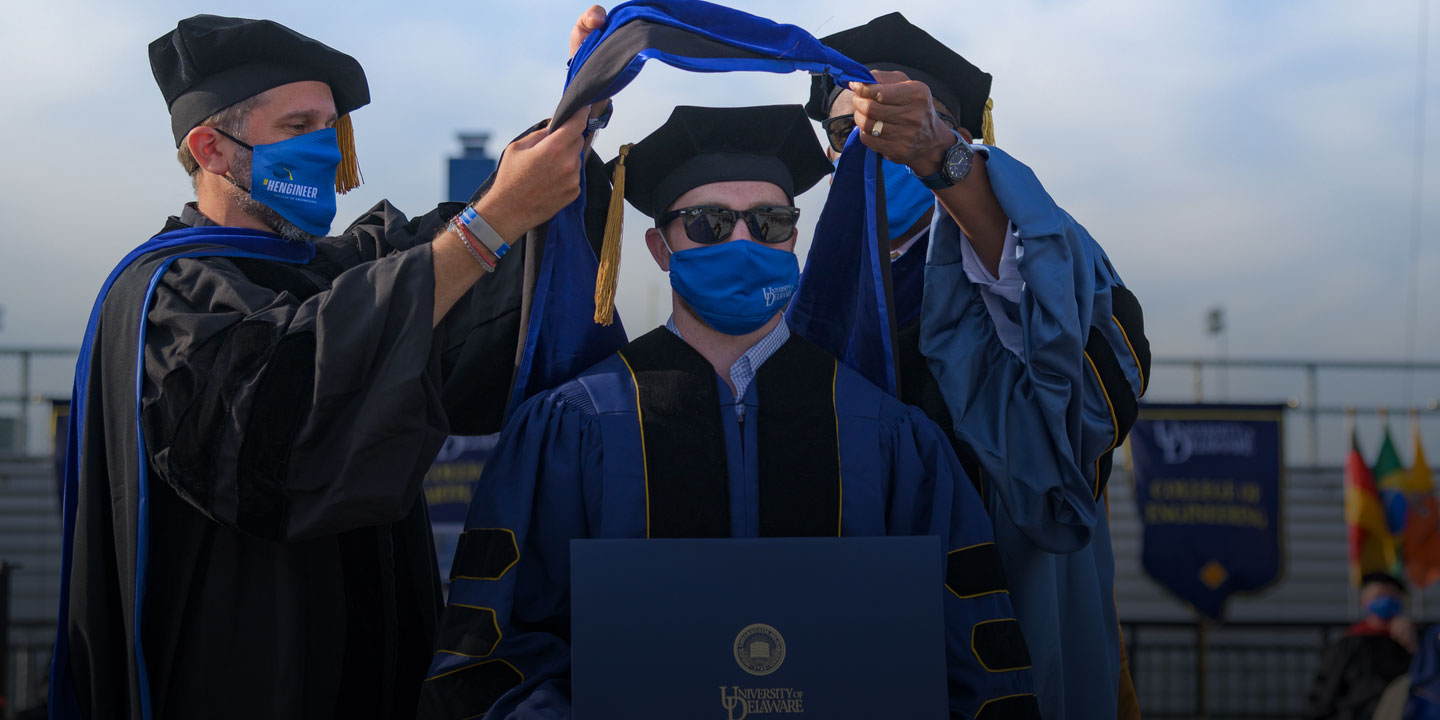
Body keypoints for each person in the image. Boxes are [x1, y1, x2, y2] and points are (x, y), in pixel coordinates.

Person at [50, 8, 610, 719]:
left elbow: (452, 265)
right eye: (296, 128)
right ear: (211, 148)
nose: (323, 148)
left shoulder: (335, 271)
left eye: (330, 128)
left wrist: (573, 110)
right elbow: (277, 428)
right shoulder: (169, 302)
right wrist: (489, 225)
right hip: (239, 685)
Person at [419, 104, 1039, 720]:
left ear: (794, 237)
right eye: (710, 223)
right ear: (661, 248)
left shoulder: (891, 435)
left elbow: (974, 661)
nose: (744, 240)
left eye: (770, 221)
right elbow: (498, 654)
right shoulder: (572, 426)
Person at [799, 13, 1151, 720]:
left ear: (961, 134)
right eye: (851, 131)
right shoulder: (805, 309)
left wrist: (944, 167)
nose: (875, 144)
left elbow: (1081, 397)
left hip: (1006, 624)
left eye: (905, 119)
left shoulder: (1031, 256)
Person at [1307, 572, 1419, 720]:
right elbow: (1326, 690)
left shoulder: (1416, 640)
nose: (1387, 601)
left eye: (1392, 596)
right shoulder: (1350, 642)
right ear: (1364, 601)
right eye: (1379, 595)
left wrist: (1413, 645)